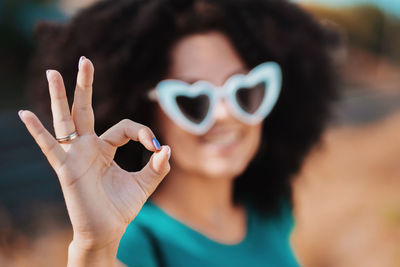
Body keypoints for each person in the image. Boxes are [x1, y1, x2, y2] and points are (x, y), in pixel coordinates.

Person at [20, 0, 338, 266]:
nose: (226, 113)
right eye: (193, 100)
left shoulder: (270, 210)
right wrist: (95, 249)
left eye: (246, 91)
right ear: (149, 114)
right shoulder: (131, 244)